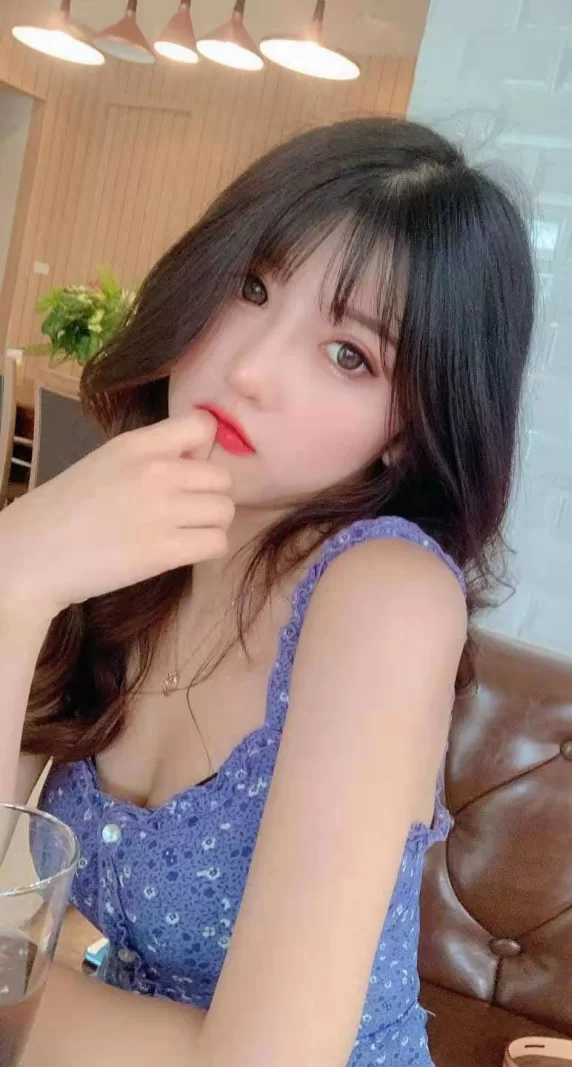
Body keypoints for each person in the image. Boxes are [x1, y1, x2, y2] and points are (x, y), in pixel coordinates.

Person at [0, 116, 535, 1067]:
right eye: (251, 287)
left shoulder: (385, 595)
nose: (247, 370)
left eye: (349, 354)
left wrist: (27, 993)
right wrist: (17, 581)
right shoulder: (132, 537)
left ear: (409, 429)